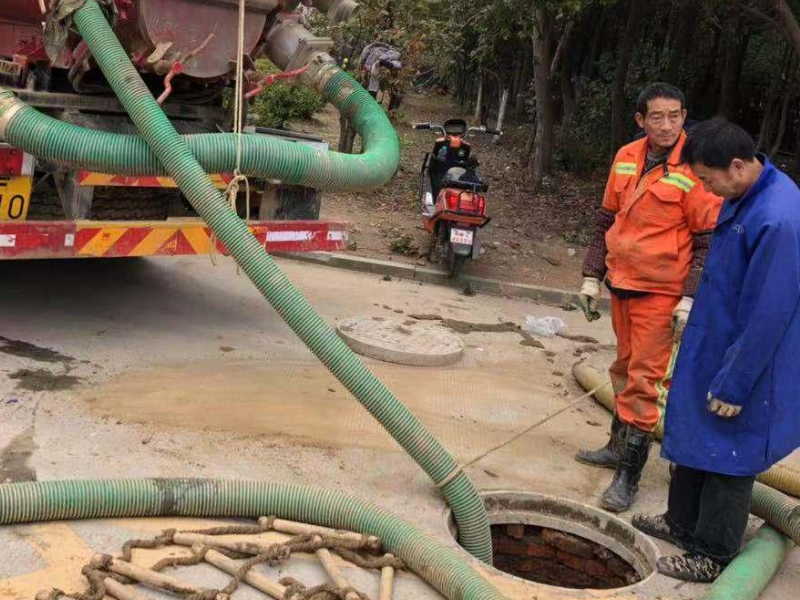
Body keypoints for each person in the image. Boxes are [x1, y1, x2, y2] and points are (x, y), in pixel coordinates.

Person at [633, 118, 800, 582]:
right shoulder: (746, 194)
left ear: (737, 166)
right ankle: (681, 521)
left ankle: (713, 552)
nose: (707, 191)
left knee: (729, 451)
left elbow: (770, 314)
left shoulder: (778, 218)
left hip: (749, 360)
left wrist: (737, 382)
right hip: (715, 342)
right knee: (692, 435)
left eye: (709, 181)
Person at [576, 83, 723, 513]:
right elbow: (607, 217)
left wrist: (689, 298)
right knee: (622, 368)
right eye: (656, 117)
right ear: (640, 120)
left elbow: (707, 240)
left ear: (684, 116)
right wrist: (591, 275)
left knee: (644, 382)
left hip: (661, 293)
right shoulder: (626, 156)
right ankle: (615, 447)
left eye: (675, 116)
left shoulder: (695, 166)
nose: (666, 125)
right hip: (621, 283)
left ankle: (630, 476)